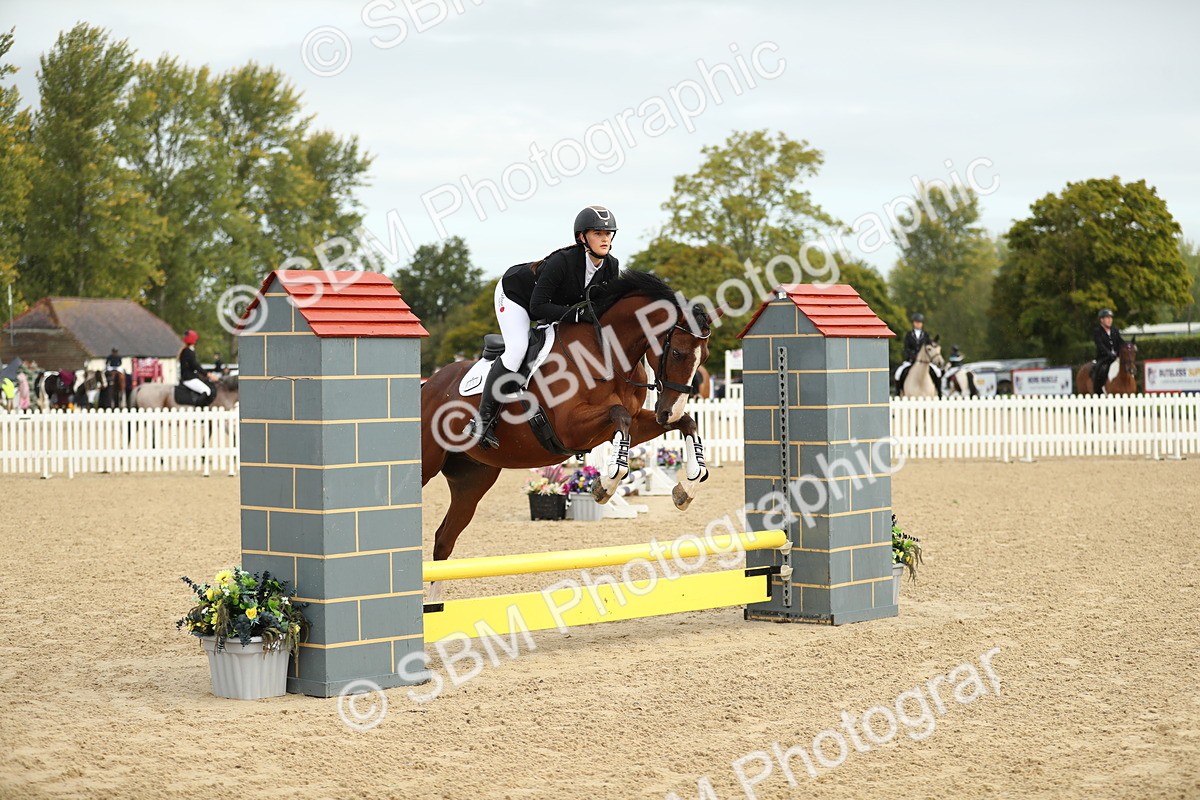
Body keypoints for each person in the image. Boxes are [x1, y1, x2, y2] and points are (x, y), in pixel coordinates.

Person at [466, 205, 620, 449]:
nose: (605, 239)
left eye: (608, 234)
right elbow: (538, 308)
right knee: (517, 348)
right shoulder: (562, 262)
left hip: (553, 305)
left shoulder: (611, 266)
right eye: (598, 233)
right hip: (516, 297)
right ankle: (482, 422)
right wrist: (577, 314)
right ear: (582, 237)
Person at [894, 313, 941, 395]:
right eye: (916, 322)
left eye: (920, 322)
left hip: (924, 360)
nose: (918, 324)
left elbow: (928, 347)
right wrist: (912, 355)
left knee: (937, 372)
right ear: (914, 323)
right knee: (898, 372)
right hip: (911, 360)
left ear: (922, 323)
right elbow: (906, 348)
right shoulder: (909, 334)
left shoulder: (925, 335)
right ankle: (899, 392)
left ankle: (939, 392)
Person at [1092, 309, 1124, 394]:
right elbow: (1100, 346)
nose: (1110, 320)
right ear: (1101, 320)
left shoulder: (1115, 330)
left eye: (1111, 318)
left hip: (1116, 357)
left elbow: (1120, 342)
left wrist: (1128, 345)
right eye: (1107, 318)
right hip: (1104, 358)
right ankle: (1099, 390)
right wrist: (1109, 354)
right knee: (1102, 369)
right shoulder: (1097, 332)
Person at [178, 330, 212, 402]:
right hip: (189, 379)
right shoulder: (188, 351)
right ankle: (197, 408)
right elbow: (195, 365)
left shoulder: (186, 350)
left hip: (190, 377)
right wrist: (207, 374)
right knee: (207, 390)